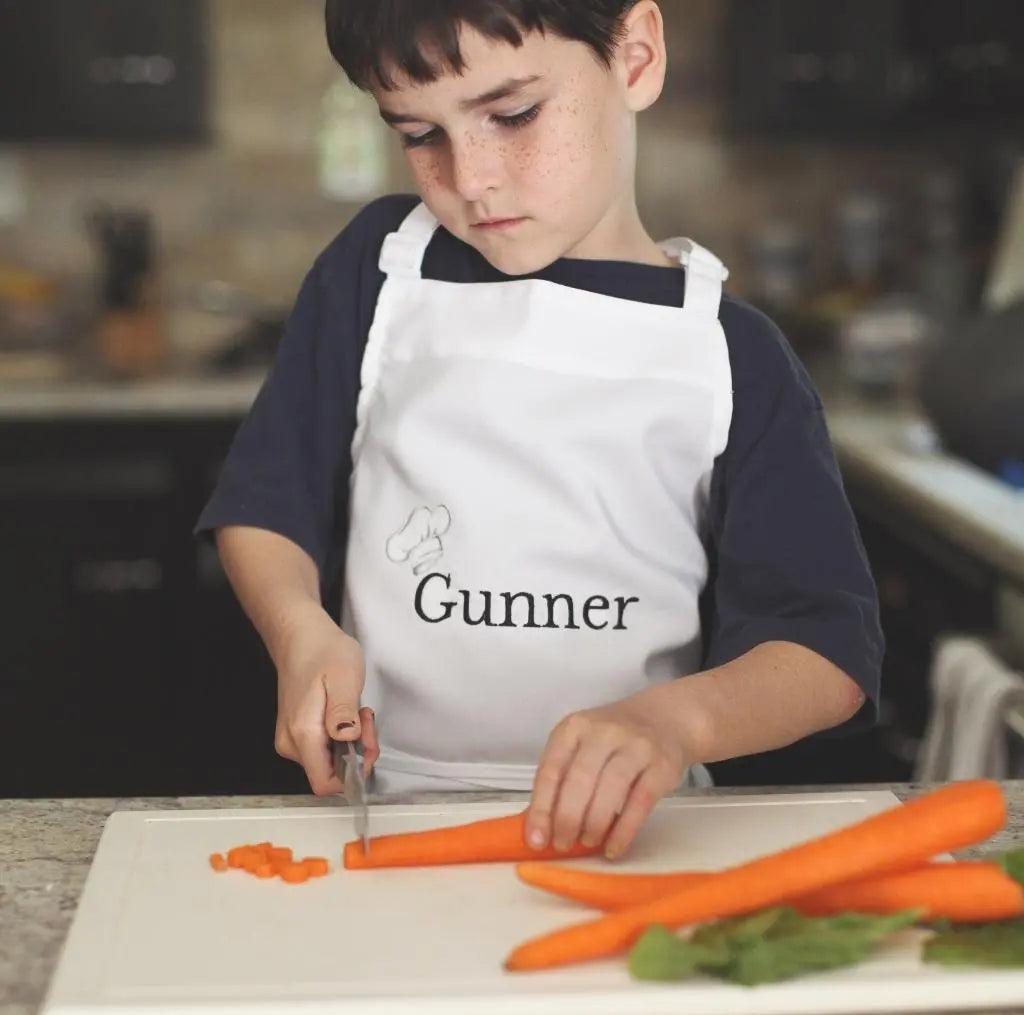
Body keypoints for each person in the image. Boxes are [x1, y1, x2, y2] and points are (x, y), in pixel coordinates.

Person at [196, 0, 883, 860]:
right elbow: (267, 501)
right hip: (384, 817)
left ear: (633, 58)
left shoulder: (732, 354)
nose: (469, 178)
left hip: (639, 839)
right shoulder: (377, 271)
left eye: (512, 115)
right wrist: (300, 630)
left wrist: (675, 723)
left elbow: (826, 650)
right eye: (419, 134)